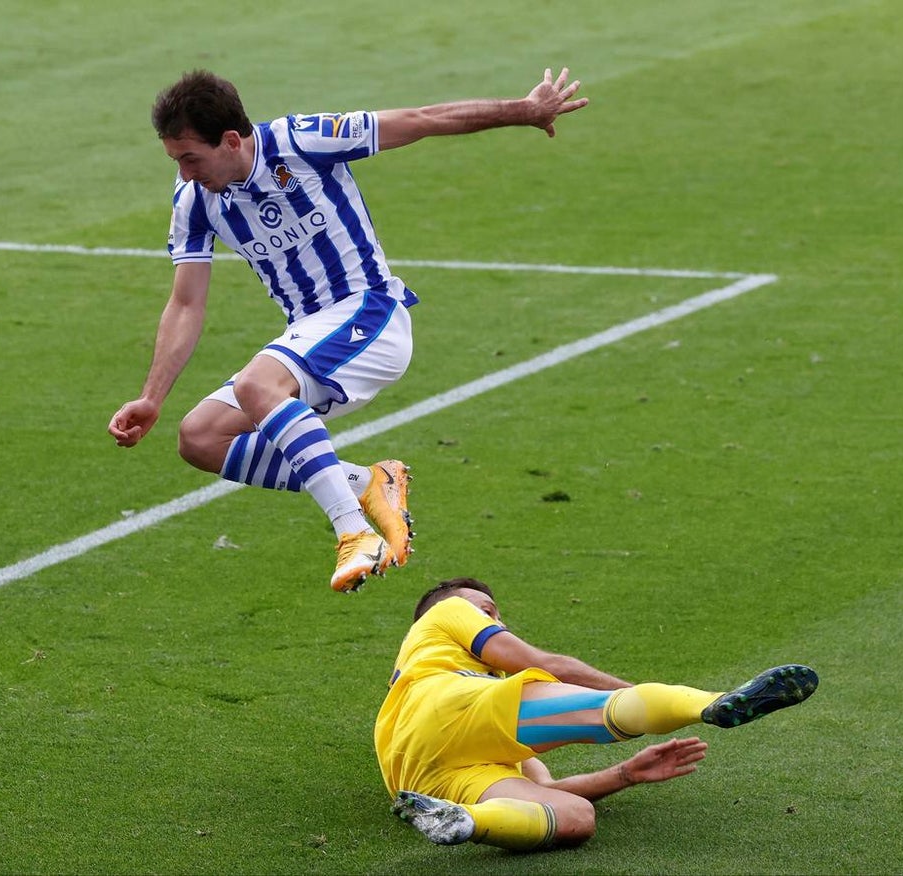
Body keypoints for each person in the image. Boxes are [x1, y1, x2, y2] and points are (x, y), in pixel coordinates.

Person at [107, 68, 590, 592]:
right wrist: (152, 397)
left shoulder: (301, 141)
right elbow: (185, 303)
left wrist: (524, 109)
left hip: (370, 313)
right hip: (313, 334)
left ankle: (353, 532)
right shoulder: (195, 201)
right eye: (175, 161)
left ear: (230, 140)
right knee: (200, 438)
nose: (182, 174)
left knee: (256, 385)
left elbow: (422, 120)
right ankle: (367, 483)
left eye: (189, 159)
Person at [375, 578, 819, 851]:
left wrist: (624, 774)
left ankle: (466, 823)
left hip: (425, 779)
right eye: (487, 611)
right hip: (445, 707)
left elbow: (545, 787)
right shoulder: (444, 621)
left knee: (574, 817)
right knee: (605, 710)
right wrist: (643, 695)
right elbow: (554, 666)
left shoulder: (478, 702)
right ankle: (710, 703)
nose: (496, 619)